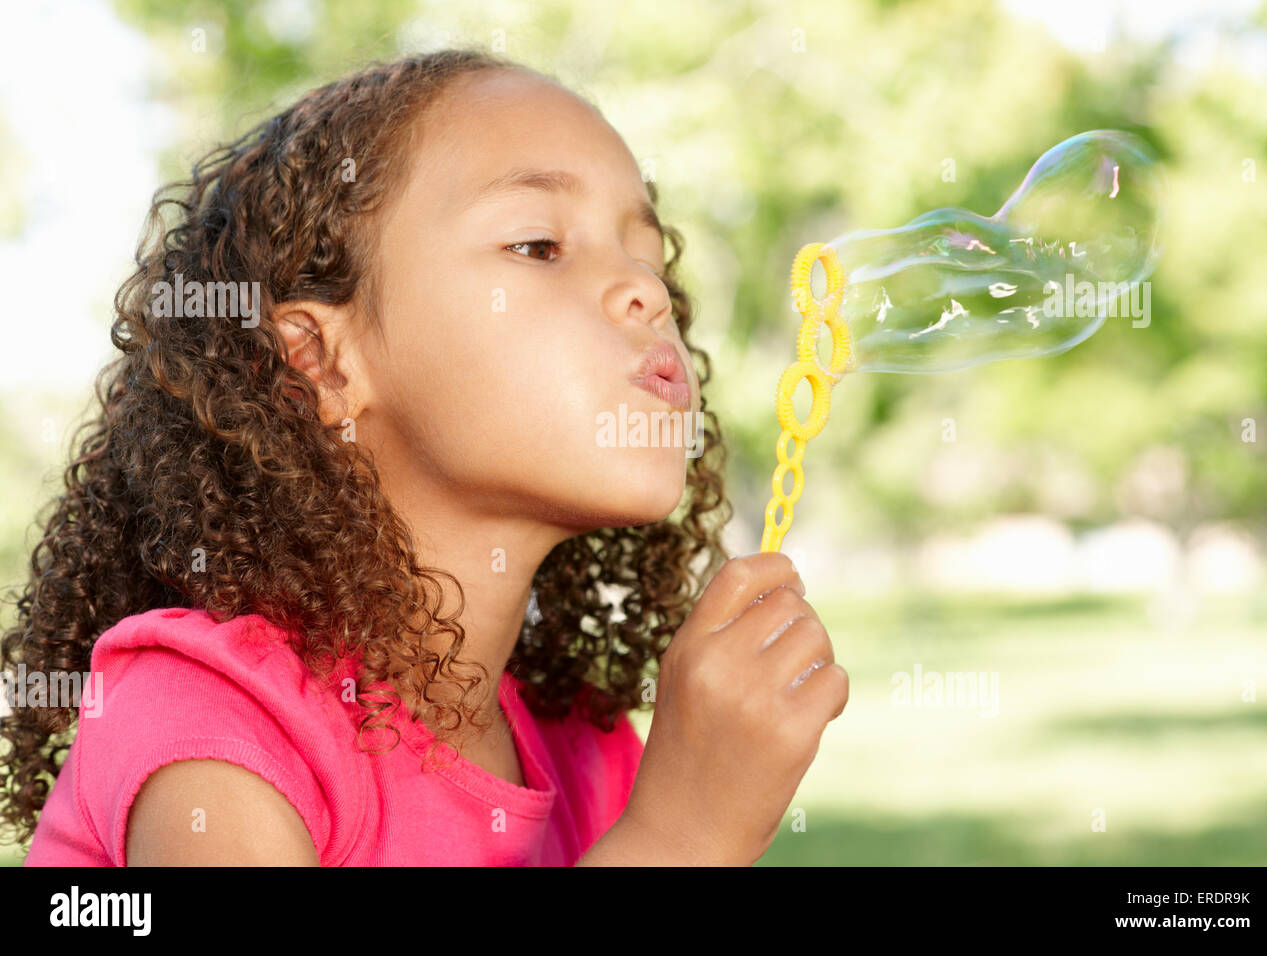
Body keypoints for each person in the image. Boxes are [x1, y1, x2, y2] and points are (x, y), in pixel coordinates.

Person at [4, 47, 847, 867]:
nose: (649, 292)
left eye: (650, 257)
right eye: (538, 245)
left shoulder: (596, 755)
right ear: (321, 362)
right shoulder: (215, 716)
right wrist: (681, 840)